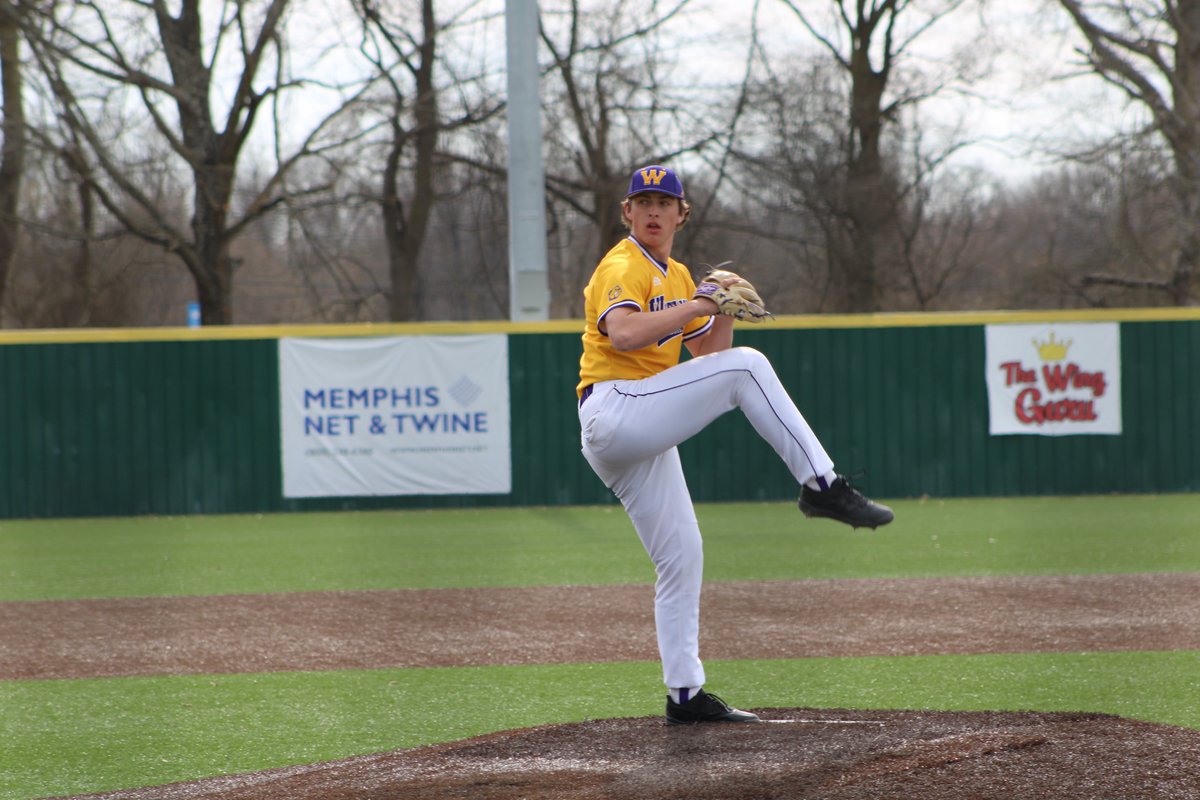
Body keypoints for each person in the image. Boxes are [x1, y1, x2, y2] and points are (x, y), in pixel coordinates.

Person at [576, 164, 894, 726]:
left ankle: (685, 695)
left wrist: (720, 306)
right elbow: (623, 334)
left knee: (682, 554)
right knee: (750, 368)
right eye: (642, 200)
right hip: (616, 408)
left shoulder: (676, 277)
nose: (653, 210)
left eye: (663, 201)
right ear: (627, 212)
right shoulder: (622, 264)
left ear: (682, 213)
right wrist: (702, 305)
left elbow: (709, 356)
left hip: (639, 421)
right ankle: (823, 485)